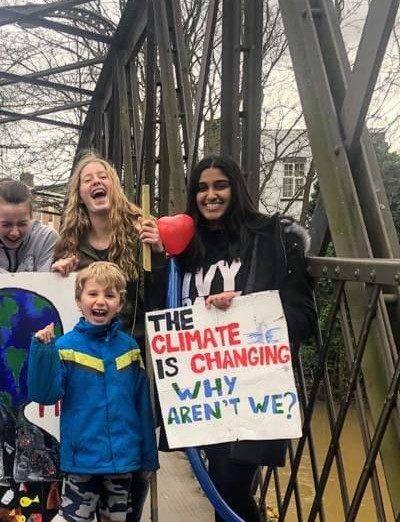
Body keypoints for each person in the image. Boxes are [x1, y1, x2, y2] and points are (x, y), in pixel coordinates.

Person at [178, 155, 316, 521]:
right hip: (201, 391)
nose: (210, 195)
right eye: (202, 188)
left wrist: (248, 309)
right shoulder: (185, 248)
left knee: (229, 486)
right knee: (220, 487)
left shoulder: (273, 238)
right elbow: (158, 307)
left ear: (236, 189)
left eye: (220, 185)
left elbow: (303, 317)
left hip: (254, 390)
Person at [51, 152, 165, 520]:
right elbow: (52, 300)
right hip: (84, 363)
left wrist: (160, 251)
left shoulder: (140, 234)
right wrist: (57, 274)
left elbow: (162, 296)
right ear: (79, 193)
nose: (96, 182)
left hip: (133, 354)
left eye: (104, 176)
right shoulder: (68, 243)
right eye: (87, 179)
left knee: (131, 452)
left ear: (114, 187)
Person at [28, 261, 159, 522]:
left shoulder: (130, 348)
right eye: (93, 294)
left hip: (124, 461)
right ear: (79, 300)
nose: (101, 301)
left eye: (110, 295)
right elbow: (44, 395)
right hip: (82, 462)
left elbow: (143, 407)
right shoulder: (64, 347)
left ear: (120, 304)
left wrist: (148, 459)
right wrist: (42, 351)